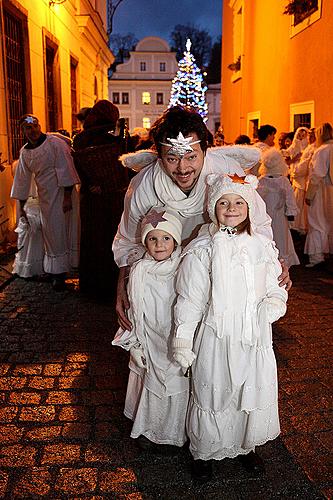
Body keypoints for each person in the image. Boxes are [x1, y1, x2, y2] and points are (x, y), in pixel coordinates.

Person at [113, 107, 291, 330]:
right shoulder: (143, 186)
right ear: (159, 155)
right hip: (165, 275)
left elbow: (258, 222)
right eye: (172, 158)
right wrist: (123, 284)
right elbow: (129, 239)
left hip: (217, 273)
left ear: (205, 151)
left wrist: (271, 263)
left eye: (191, 157)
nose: (183, 168)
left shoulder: (226, 172)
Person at [173, 172, 288, 482]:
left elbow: (275, 284)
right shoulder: (203, 250)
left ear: (250, 207)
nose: (232, 207)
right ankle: (205, 451)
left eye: (239, 202)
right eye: (223, 202)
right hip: (216, 335)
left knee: (245, 391)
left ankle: (244, 446)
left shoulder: (261, 246)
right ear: (213, 208)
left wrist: (275, 302)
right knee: (214, 391)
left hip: (253, 335)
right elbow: (190, 299)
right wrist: (183, 340)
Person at [112, 208, 189, 449]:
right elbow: (134, 308)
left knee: (176, 382)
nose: (159, 245)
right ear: (145, 241)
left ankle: (178, 431)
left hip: (174, 336)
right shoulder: (139, 270)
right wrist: (133, 342)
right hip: (150, 336)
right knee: (151, 380)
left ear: (175, 240)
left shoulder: (184, 266)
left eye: (166, 238)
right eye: (153, 239)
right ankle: (151, 427)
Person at [11, 114, 80, 291]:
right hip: (45, 196)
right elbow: (22, 179)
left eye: (35, 126)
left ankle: (60, 273)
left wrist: (66, 197)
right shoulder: (25, 152)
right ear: (22, 131)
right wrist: (22, 204)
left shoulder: (55, 144)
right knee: (51, 233)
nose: (33, 130)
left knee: (60, 231)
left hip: (62, 192)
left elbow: (66, 168)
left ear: (39, 125)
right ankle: (55, 270)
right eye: (28, 128)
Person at [72, 100, 130, 298]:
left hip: (91, 196)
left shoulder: (80, 138)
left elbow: (77, 164)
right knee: (112, 239)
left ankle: (92, 287)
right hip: (114, 196)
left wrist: (90, 183)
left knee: (92, 240)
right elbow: (126, 160)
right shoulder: (117, 134)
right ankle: (113, 287)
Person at [258, 148, 300, 267]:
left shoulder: (262, 181)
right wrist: (291, 213)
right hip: (279, 215)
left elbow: (258, 198)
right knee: (281, 238)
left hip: (266, 215)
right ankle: (281, 262)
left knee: (271, 235)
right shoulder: (283, 181)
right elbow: (290, 198)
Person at [304, 122, 333, 267]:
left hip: (321, 191)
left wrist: (309, 195)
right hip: (330, 190)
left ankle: (317, 257)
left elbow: (317, 174)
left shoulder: (322, 150)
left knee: (316, 222)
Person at [290, 127, 316, 234]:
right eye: (308, 135)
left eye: (311, 135)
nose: (309, 137)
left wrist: (294, 171)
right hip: (300, 182)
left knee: (301, 208)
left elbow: (303, 166)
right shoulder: (308, 147)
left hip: (302, 182)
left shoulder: (312, 149)